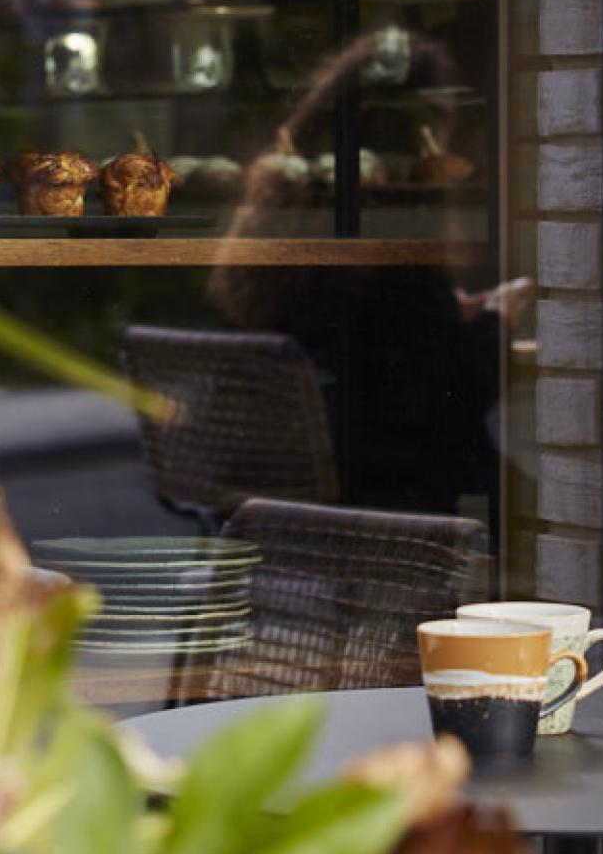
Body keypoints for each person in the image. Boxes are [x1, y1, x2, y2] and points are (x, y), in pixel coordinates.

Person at [209, 34, 527, 531]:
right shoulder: (391, 237)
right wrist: (496, 318)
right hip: (386, 496)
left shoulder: (289, 216)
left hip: (295, 485)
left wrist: (449, 314)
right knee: (530, 495)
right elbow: (458, 390)